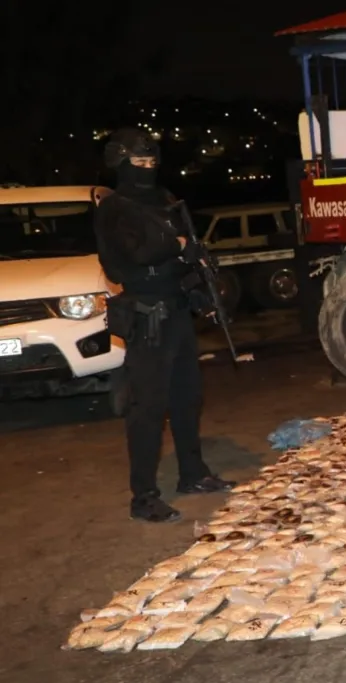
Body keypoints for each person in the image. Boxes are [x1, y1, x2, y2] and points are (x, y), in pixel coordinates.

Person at [94, 128, 233, 523]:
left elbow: (185, 244)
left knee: (187, 398)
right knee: (148, 408)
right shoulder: (114, 207)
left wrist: (196, 277)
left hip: (175, 309)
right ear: (121, 163)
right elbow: (136, 253)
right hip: (147, 315)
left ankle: (193, 474)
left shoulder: (164, 198)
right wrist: (178, 246)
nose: (147, 168)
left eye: (152, 161)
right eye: (139, 162)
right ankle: (144, 496)